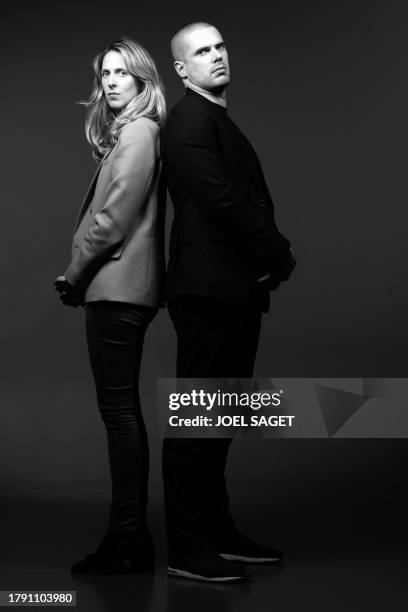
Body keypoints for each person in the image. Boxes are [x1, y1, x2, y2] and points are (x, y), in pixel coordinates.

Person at [161, 22, 296, 582]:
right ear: (181, 69)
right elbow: (224, 201)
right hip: (207, 290)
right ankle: (186, 547)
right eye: (201, 51)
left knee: (219, 417)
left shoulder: (214, 117)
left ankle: (216, 533)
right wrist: (278, 249)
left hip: (232, 289)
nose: (215, 56)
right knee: (196, 418)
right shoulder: (189, 119)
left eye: (219, 46)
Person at [54, 38, 166, 575]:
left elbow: (113, 220)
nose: (113, 82)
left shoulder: (140, 133)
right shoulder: (128, 135)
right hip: (116, 289)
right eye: (105, 74)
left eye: (123, 73)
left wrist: (74, 276)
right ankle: (128, 536)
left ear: (144, 81)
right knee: (119, 413)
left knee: (119, 414)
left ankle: (128, 539)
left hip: (117, 290)